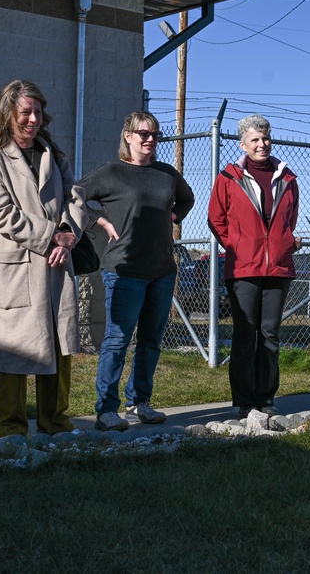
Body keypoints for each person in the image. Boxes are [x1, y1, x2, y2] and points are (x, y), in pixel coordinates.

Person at [0, 79, 88, 437]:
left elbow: (76, 198)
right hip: (13, 267)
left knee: (58, 342)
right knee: (11, 349)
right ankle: (9, 429)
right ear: (8, 114)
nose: (33, 119)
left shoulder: (56, 156)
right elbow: (1, 213)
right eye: (26, 112)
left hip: (54, 265)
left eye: (38, 111)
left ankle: (56, 422)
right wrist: (50, 235)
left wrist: (68, 233)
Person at [79, 111, 194, 431]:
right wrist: (98, 219)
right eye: (143, 134)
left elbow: (187, 199)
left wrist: (172, 218)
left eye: (155, 135)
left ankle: (140, 402)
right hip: (124, 270)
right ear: (127, 136)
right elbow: (73, 196)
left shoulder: (166, 174)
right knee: (117, 340)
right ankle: (106, 410)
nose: (149, 140)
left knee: (151, 341)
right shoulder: (111, 172)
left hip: (162, 270)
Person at [208, 114, 301, 418]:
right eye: (255, 140)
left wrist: (283, 243)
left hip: (278, 268)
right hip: (243, 268)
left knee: (270, 334)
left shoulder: (287, 179)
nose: (262, 144)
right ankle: (245, 401)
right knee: (245, 335)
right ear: (243, 144)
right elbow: (216, 218)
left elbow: (289, 220)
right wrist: (237, 245)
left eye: (265, 138)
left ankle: (266, 398)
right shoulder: (229, 177)